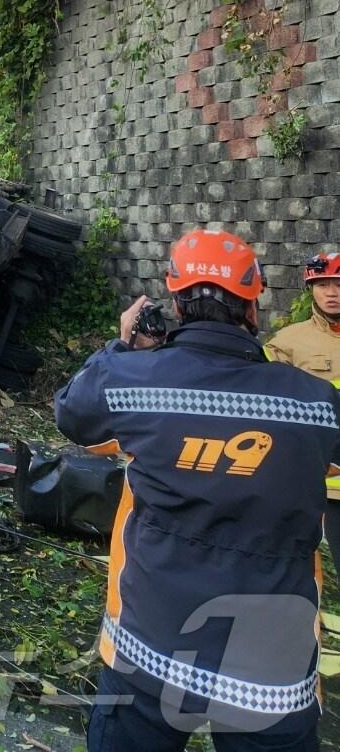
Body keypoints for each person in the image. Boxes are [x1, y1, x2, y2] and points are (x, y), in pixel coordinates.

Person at [55, 229, 340, 751]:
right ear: (253, 305)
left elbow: (72, 412)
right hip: (270, 672)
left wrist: (125, 347)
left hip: (150, 650)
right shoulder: (316, 404)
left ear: (175, 300)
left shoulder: (133, 382)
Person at [267, 253, 340, 566]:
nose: (331, 292)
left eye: (338, 284)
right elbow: (270, 409)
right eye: (322, 284)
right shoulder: (286, 343)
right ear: (311, 289)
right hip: (322, 484)